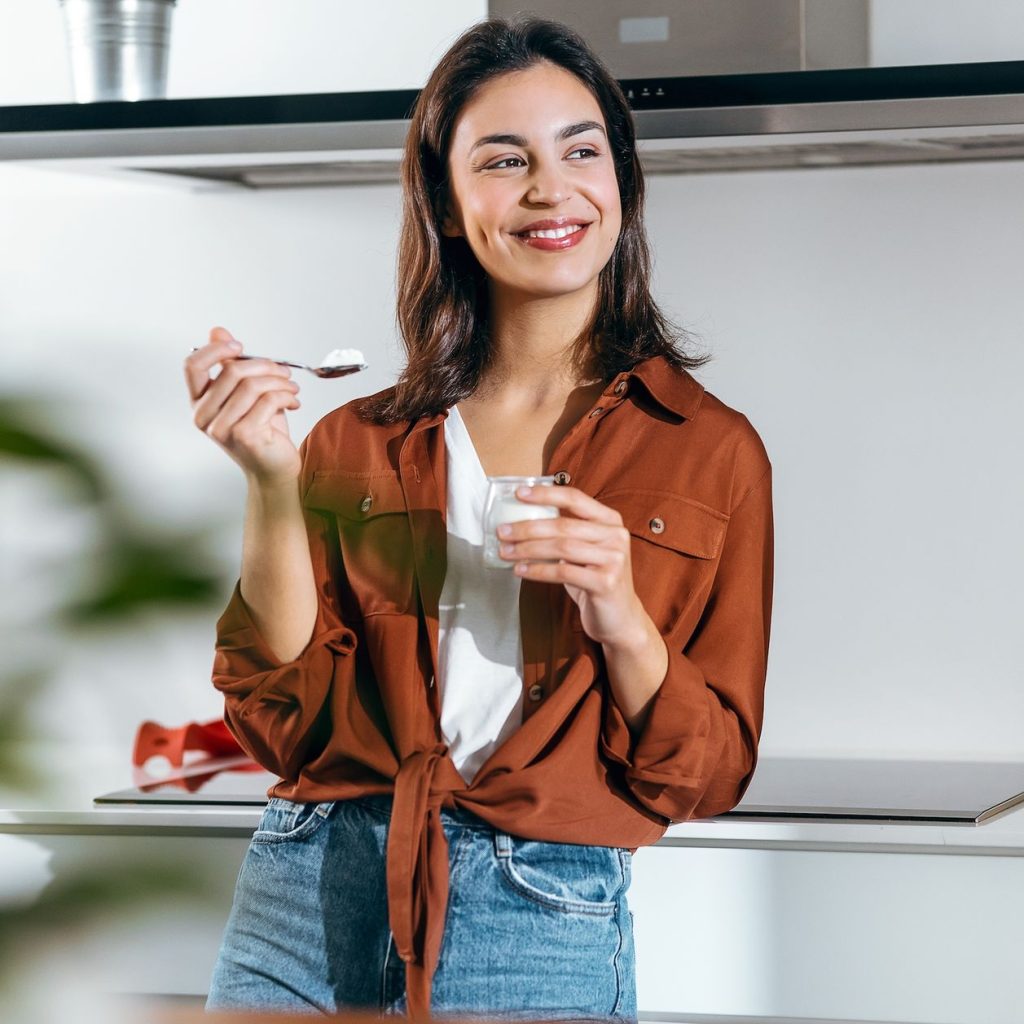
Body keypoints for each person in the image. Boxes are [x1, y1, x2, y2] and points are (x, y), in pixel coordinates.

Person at [184, 15, 773, 1023]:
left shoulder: (706, 449)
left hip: (540, 905)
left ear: (621, 187)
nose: (551, 188)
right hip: (307, 889)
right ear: (449, 208)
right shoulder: (356, 440)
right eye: (505, 160)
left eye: (581, 150)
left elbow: (707, 771)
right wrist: (270, 484)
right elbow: (284, 723)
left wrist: (620, 610)